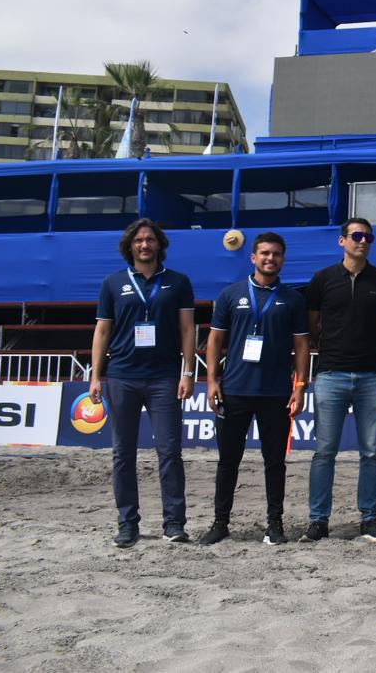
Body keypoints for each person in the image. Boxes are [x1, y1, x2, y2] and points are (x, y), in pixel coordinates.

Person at [89, 218, 197, 548]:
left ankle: (174, 523)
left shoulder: (178, 282)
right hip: (122, 376)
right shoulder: (113, 282)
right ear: (130, 246)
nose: (145, 244)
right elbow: (102, 331)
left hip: (164, 378)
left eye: (150, 239)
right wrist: (95, 375)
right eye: (139, 240)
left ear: (159, 244)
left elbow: (188, 330)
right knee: (123, 454)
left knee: (170, 452)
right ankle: (127, 524)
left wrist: (188, 372)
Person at [200, 232, 310, 546]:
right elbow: (215, 340)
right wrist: (212, 380)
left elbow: (302, 346)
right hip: (234, 390)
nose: (270, 258)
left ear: (283, 259)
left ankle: (275, 525)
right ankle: (220, 524)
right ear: (253, 257)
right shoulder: (230, 294)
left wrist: (300, 385)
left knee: (274, 462)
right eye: (264, 253)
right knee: (228, 461)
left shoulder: (293, 299)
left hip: (276, 393)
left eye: (276, 254)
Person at [301, 218, 376, 543]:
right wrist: (332, 348)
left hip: (372, 375)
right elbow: (312, 325)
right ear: (341, 240)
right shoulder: (323, 279)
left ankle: (369, 518)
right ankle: (318, 521)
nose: (362, 241)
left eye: (368, 237)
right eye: (356, 235)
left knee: (371, 452)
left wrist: (369, 349)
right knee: (324, 452)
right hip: (331, 374)